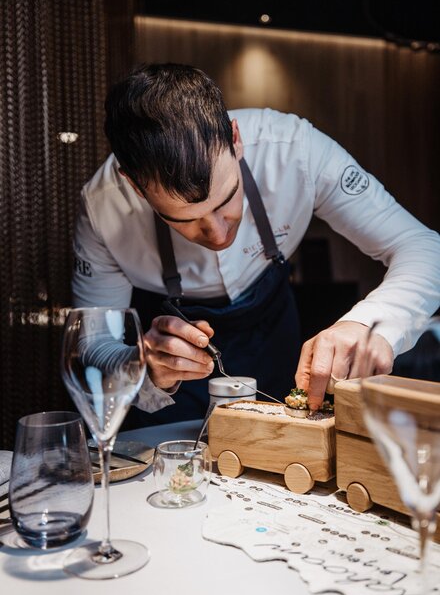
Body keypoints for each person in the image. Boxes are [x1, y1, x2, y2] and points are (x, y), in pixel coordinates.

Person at [72, 63, 440, 423]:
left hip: (272, 342)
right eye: (184, 219)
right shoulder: (103, 208)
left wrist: (365, 323)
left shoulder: (295, 150)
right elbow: (92, 349)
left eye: (226, 199)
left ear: (235, 139)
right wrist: (142, 364)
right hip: (171, 390)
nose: (218, 235)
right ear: (135, 187)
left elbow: (423, 246)